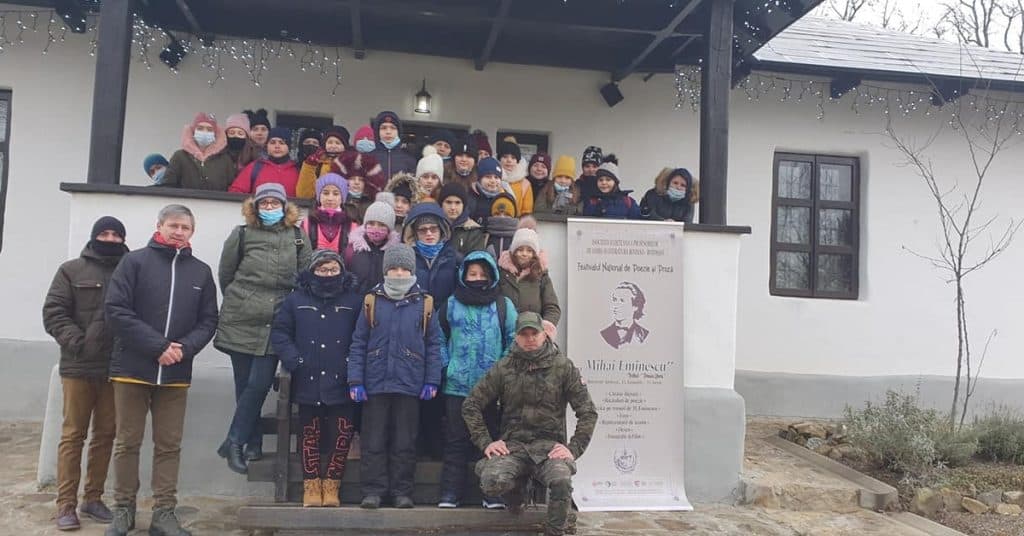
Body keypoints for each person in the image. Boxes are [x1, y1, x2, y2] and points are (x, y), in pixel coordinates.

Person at [103, 204, 219, 536]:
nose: (179, 232)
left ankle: (164, 513)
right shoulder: (134, 262)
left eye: (185, 227)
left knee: (169, 445)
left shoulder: (200, 272)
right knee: (127, 442)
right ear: (160, 226)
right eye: (173, 225)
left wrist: (183, 348)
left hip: (175, 373)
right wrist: (158, 346)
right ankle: (123, 510)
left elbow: (209, 319)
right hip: (132, 369)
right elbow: (116, 310)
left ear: (192, 232)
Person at [463, 312, 598, 536]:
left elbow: (588, 412)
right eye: (523, 334)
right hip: (514, 447)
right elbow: (471, 405)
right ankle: (518, 493)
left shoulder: (563, 367)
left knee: (561, 481)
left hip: (549, 450)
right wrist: (486, 442)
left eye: (534, 333)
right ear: (516, 337)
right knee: (492, 481)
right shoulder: (503, 368)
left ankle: (555, 530)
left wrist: (573, 449)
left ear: (544, 334)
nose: (529, 339)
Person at [215, 183, 312, 474]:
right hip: (241, 319)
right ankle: (253, 443)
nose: (269, 207)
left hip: (277, 320)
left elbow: (305, 277)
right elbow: (226, 274)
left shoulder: (298, 236)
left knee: (259, 383)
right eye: (264, 203)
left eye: (275, 203)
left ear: (284, 206)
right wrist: (244, 299)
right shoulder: (242, 234)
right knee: (244, 386)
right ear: (255, 206)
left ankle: (233, 442)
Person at [43, 216, 129, 530]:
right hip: (78, 367)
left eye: (116, 235)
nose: (110, 239)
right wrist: (78, 343)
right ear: (94, 236)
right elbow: (54, 312)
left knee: (106, 435)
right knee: (73, 436)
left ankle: (93, 498)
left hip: (115, 369)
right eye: (104, 233)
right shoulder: (71, 270)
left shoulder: (131, 270)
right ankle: (66, 504)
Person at [347, 244, 443, 509]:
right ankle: (373, 491)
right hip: (375, 383)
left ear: (412, 271)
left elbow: (434, 345)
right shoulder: (372, 301)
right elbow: (358, 342)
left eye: (404, 268)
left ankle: (402, 492)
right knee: (373, 440)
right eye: (393, 268)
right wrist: (355, 380)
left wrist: (432, 379)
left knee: (405, 442)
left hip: (409, 383)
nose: (399, 273)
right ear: (385, 270)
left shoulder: (424, 303)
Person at [270, 249, 362, 508]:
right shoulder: (295, 300)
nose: (328, 274)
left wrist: (351, 365)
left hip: (342, 380)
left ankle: (332, 484)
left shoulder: (354, 301)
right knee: (309, 434)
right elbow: (280, 333)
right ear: (312, 271)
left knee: (342, 434)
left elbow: (362, 336)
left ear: (342, 271)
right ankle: (311, 485)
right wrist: (295, 361)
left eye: (333, 269)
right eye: (322, 269)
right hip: (307, 379)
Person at [437, 251, 517, 510]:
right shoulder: (451, 304)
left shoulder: (503, 305)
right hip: (457, 386)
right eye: (472, 273)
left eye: (483, 273)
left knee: (491, 441)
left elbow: (513, 340)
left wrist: (501, 373)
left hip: (491, 389)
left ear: (492, 276)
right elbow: (437, 337)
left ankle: (491, 493)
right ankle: (450, 493)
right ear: (463, 275)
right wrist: (447, 365)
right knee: (455, 441)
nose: (477, 277)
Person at [498, 221, 561, 339]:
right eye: (520, 249)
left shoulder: (541, 276)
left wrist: (543, 332)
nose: (524, 254)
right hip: (504, 336)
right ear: (513, 251)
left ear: (534, 254)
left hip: (532, 337)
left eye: (529, 250)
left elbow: (552, 308)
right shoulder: (501, 273)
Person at [402, 202, 460, 309]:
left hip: (445, 315)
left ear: (441, 230)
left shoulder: (454, 258)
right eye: (423, 230)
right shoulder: (405, 258)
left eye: (433, 229)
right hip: (414, 314)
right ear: (415, 233)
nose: (429, 233)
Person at [161, 112, 235, 191]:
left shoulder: (225, 159)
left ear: (215, 134)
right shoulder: (179, 156)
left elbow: (231, 188)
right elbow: (168, 185)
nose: (205, 132)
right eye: (200, 128)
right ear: (193, 131)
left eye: (209, 129)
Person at [347, 199, 401, 294]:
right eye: (371, 223)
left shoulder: (395, 253)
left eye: (381, 225)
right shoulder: (352, 250)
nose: (376, 228)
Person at [229, 127, 300, 196]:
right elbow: (235, 192)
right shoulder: (255, 167)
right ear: (267, 146)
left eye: (282, 143)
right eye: (272, 142)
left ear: (289, 147)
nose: (277, 146)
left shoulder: (298, 171)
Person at [296, 126, 356, 199]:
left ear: (344, 146)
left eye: (338, 143)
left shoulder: (352, 164)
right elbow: (304, 195)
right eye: (330, 142)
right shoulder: (318, 163)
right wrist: (309, 165)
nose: (333, 146)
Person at [302, 173, 353, 254]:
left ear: (342, 197)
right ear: (319, 196)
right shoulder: (306, 224)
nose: (330, 198)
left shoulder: (352, 226)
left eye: (336, 194)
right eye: (326, 193)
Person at [580, 155, 640, 220]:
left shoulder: (628, 202)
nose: (604, 183)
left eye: (608, 180)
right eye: (600, 180)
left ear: (615, 182)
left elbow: (637, 223)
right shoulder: (592, 202)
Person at [438, 183, 486, 255]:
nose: (453, 207)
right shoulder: (433, 227)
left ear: (463, 205)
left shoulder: (473, 231)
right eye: (448, 202)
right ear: (441, 204)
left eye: (457, 203)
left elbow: (476, 259)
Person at [336, 151, 383, 223]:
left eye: (361, 180)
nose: (356, 183)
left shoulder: (372, 203)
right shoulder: (339, 201)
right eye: (352, 179)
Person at [600, 281, 649, 349]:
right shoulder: (604, 334)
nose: (616, 305)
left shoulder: (643, 334)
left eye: (622, 301)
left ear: (635, 306)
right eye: (615, 300)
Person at [370, 110, 417, 181]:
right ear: (377, 132)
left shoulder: (409, 159)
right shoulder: (368, 157)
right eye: (383, 128)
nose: (388, 132)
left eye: (393, 128)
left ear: (399, 132)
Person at [468, 157, 514, 226]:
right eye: (488, 177)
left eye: (496, 177)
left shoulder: (506, 197)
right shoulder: (471, 197)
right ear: (479, 179)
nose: (493, 181)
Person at [497, 140, 533, 216]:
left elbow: (526, 211)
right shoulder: (493, 178)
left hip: (517, 221)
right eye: (505, 157)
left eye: (513, 158)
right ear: (499, 159)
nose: (509, 160)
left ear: (518, 161)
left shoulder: (525, 184)